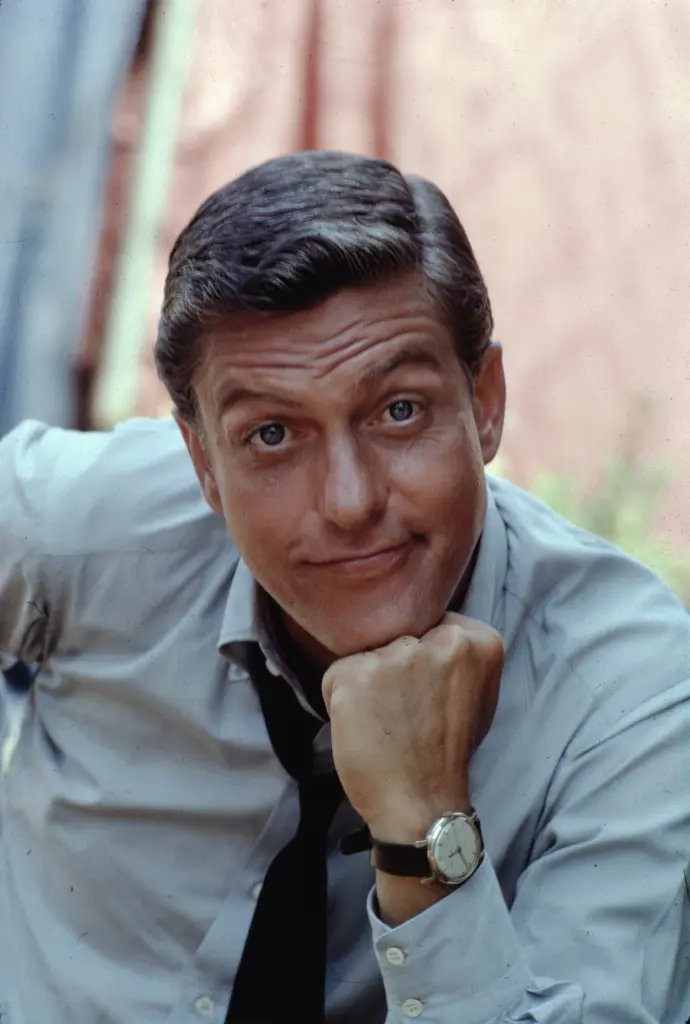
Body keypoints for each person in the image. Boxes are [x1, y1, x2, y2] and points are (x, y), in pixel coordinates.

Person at [0, 151, 689, 1024]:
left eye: (398, 411)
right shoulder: (95, 528)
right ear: (202, 462)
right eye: (273, 434)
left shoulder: (625, 692)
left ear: (485, 402)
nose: (351, 501)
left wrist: (426, 828)